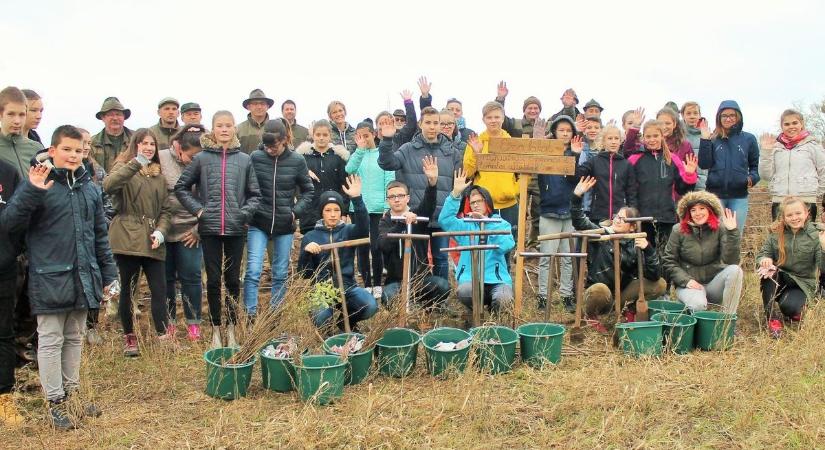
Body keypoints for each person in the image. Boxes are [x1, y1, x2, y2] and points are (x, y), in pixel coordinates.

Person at [0, 125, 118, 430]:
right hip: (49, 277)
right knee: (50, 341)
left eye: (78, 151)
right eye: (66, 149)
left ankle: (73, 395)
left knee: (74, 339)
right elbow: (10, 223)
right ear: (52, 150)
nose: (73, 155)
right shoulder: (39, 185)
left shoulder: (89, 188)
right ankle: (55, 402)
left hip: (83, 276)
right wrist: (31, 189)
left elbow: (99, 237)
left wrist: (108, 273)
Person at [175, 111, 261, 349]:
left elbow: (255, 194)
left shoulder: (244, 160)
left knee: (233, 280)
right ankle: (215, 330)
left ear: (234, 128)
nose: (224, 129)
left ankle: (232, 329)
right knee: (213, 280)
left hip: (235, 229)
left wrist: (244, 213)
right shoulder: (202, 158)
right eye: (219, 126)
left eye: (228, 125)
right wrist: (199, 211)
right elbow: (181, 187)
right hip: (210, 229)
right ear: (212, 130)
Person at [104, 129, 173, 356]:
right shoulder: (124, 168)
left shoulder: (158, 176)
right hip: (127, 236)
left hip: (152, 238)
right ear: (135, 145)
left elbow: (165, 210)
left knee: (159, 289)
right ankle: (130, 338)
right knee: (128, 289)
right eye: (144, 143)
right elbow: (109, 185)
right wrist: (135, 163)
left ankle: (163, 335)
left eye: (152, 144)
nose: (149, 147)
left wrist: (162, 231)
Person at [377, 106, 464, 280]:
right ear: (420, 124)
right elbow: (387, 163)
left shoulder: (452, 152)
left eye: (436, 123)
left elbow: (459, 184)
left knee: (441, 259)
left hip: (441, 216)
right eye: (428, 122)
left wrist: (454, 209)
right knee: (417, 258)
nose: (432, 127)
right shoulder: (408, 149)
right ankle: (417, 296)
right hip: (416, 216)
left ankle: (439, 302)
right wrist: (387, 140)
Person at [571, 176, 666, 326]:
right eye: (617, 216)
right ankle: (592, 317)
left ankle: (629, 310)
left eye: (623, 219)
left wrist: (648, 250)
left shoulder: (636, 242)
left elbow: (653, 276)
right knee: (600, 291)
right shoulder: (602, 233)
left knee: (660, 284)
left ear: (633, 227)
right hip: (601, 293)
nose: (617, 220)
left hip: (621, 295)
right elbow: (579, 221)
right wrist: (577, 197)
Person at [244, 120, 313, 314]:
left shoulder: (297, 160)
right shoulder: (255, 157)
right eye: (266, 145)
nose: (269, 150)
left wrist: (294, 212)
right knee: (253, 271)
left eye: (273, 146)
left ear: (284, 140)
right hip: (258, 221)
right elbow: (245, 187)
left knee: (281, 273)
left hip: (284, 224)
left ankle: (276, 314)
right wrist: (249, 211)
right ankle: (250, 313)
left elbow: (308, 191)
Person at [298, 176, 378, 330]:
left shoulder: (348, 231)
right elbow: (305, 274)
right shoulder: (310, 237)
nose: (333, 214)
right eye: (328, 210)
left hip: (347, 286)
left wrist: (357, 199)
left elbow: (363, 227)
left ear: (341, 212)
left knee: (370, 306)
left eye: (337, 210)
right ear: (322, 212)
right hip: (321, 289)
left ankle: (345, 321)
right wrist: (307, 253)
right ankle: (327, 331)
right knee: (321, 316)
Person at [439, 168, 515, 320]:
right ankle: (477, 315)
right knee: (465, 291)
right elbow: (445, 220)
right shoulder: (465, 225)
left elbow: (507, 245)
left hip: (497, 280)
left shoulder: (501, 224)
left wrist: (487, 224)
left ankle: (495, 321)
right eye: (472, 202)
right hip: (470, 279)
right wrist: (455, 195)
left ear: (487, 202)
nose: (475, 205)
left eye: (479, 201)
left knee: (504, 298)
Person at [628, 119, 698, 280]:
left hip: (666, 217)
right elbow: (629, 189)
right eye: (648, 136)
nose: (652, 139)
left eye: (655, 136)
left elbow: (683, 190)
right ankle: (644, 290)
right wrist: (633, 215)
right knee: (644, 255)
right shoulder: (635, 159)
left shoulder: (672, 159)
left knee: (666, 255)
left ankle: (664, 291)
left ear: (662, 136)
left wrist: (689, 174)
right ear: (643, 138)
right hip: (642, 218)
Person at [379, 157, 450, 310]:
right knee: (388, 298)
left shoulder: (418, 216)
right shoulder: (385, 221)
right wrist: (401, 223)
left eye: (401, 196)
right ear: (387, 201)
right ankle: (401, 315)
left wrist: (432, 184)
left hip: (421, 279)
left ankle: (425, 308)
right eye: (392, 197)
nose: (397, 200)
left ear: (408, 198)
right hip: (396, 281)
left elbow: (429, 205)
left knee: (442, 286)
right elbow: (382, 244)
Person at [159, 124, 207, 341]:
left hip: (190, 230)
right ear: (178, 147)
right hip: (163, 228)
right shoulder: (159, 159)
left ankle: (193, 323)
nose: (193, 160)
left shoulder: (205, 161)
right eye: (190, 156)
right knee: (165, 279)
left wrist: (198, 229)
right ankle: (168, 322)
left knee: (192, 276)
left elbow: (210, 197)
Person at [662, 191, 743, 313]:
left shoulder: (720, 228)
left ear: (710, 210)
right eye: (693, 210)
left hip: (713, 284)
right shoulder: (678, 230)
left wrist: (732, 232)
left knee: (735, 271)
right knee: (698, 305)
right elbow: (668, 261)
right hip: (689, 285)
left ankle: (727, 319)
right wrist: (686, 280)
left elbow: (731, 260)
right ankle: (689, 308)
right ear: (688, 213)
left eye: (702, 208)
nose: (697, 213)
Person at [757, 196, 825, 338]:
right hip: (780, 278)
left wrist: (823, 248)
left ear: (807, 213)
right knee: (768, 272)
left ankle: (797, 309)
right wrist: (765, 259)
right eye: (789, 215)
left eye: (798, 213)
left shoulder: (816, 234)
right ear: (783, 217)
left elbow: (822, 268)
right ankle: (772, 319)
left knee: (790, 307)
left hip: (802, 283)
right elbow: (763, 253)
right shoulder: (776, 233)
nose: (794, 218)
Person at [534, 115, 579, 311]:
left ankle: (566, 295)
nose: (565, 134)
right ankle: (543, 296)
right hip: (548, 212)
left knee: (568, 257)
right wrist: (538, 143)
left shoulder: (575, 153)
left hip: (569, 213)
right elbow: (534, 165)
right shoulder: (546, 154)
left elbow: (576, 180)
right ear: (554, 132)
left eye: (569, 131)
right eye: (561, 130)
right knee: (547, 256)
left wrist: (575, 157)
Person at [346, 121, 395, 299]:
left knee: (376, 246)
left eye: (366, 135)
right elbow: (349, 169)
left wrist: (386, 205)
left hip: (377, 209)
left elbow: (389, 178)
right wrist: (359, 150)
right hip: (359, 208)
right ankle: (366, 284)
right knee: (362, 247)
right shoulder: (357, 155)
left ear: (374, 133)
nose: (363, 139)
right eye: (359, 136)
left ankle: (377, 285)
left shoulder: (381, 154)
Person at [494, 81, 544, 248]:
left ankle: (534, 242)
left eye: (536, 108)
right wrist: (501, 99)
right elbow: (500, 118)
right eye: (530, 107)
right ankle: (516, 242)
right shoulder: (515, 124)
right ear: (524, 110)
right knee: (519, 211)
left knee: (538, 211)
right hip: (519, 175)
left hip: (538, 176)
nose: (533, 110)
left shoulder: (546, 125)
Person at [698, 100, 760, 233]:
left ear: (738, 117)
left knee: (735, 235)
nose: (728, 118)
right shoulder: (712, 138)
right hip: (715, 196)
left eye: (732, 115)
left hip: (739, 196)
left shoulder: (749, 139)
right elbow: (704, 164)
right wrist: (704, 140)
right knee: (716, 235)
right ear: (719, 118)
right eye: (724, 116)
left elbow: (755, 167)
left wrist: (751, 179)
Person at [77, 128, 113, 344]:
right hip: (69, 237)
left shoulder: (96, 171)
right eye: (83, 142)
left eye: (89, 143)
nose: (86, 147)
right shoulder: (58, 170)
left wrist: (103, 222)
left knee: (94, 280)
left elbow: (108, 199)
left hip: (92, 235)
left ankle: (92, 325)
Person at [464, 101, 519, 239]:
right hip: (484, 204)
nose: (493, 121)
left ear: (503, 118)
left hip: (509, 205)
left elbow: (524, 172)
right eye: (489, 117)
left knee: (507, 245)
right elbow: (468, 172)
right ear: (483, 119)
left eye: (496, 117)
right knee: (483, 244)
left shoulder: (512, 143)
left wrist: (514, 190)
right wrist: (477, 154)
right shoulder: (476, 141)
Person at [759, 109, 825, 220]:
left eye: (795, 123)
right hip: (780, 201)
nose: (791, 127)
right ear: (782, 126)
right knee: (779, 236)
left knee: (806, 236)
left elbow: (823, 171)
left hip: (806, 200)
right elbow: (766, 175)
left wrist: (817, 193)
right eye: (787, 124)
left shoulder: (813, 146)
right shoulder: (775, 147)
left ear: (802, 124)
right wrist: (766, 152)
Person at [296, 120, 350, 236]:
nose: (321, 138)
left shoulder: (338, 158)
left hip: (333, 213)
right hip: (309, 214)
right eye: (318, 135)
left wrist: (344, 212)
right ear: (313, 135)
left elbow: (344, 187)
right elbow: (298, 185)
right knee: (311, 249)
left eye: (325, 135)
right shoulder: (303, 158)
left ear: (330, 136)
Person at [0, 158, 22, 425]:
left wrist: (9, 253)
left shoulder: (7, 171)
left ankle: (4, 398)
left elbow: (18, 219)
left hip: (3, 268)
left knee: (4, 334)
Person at [577, 124, 637, 224]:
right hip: (597, 216)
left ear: (620, 141)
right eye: (609, 138)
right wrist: (576, 154)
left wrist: (632, 216)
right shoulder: (594, 161)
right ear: (603, 141)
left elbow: (631, 193)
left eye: (616, 138)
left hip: (620, 218)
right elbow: (577, 175)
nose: (613, 141)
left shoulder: (626, 164)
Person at [0, 86, 44, 178]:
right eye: (11, 114)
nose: (17, 121)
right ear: (1, 114)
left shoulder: (37, 148)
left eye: (22, 115)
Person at [91, 96, 133, 172]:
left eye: (118, 114)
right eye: (110, 114)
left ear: (124, 117)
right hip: (101, 183)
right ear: (103, 118)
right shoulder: (92, 143)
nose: (115, 118)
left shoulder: (136, 139)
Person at [680, 101, 708, 190]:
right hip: (683, 183)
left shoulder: (706, 135)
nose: (692, 116)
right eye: (688, 113)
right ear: (682, 115)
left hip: (702, 184)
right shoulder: (678, 135)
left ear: (699, 115)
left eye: (695, 113)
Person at [237, 89, 273, 153]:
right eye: (255, 104)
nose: (259, 107)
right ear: (248, 107)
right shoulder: (238, 129)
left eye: (262, 103)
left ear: (267, 106)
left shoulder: (276, 128)